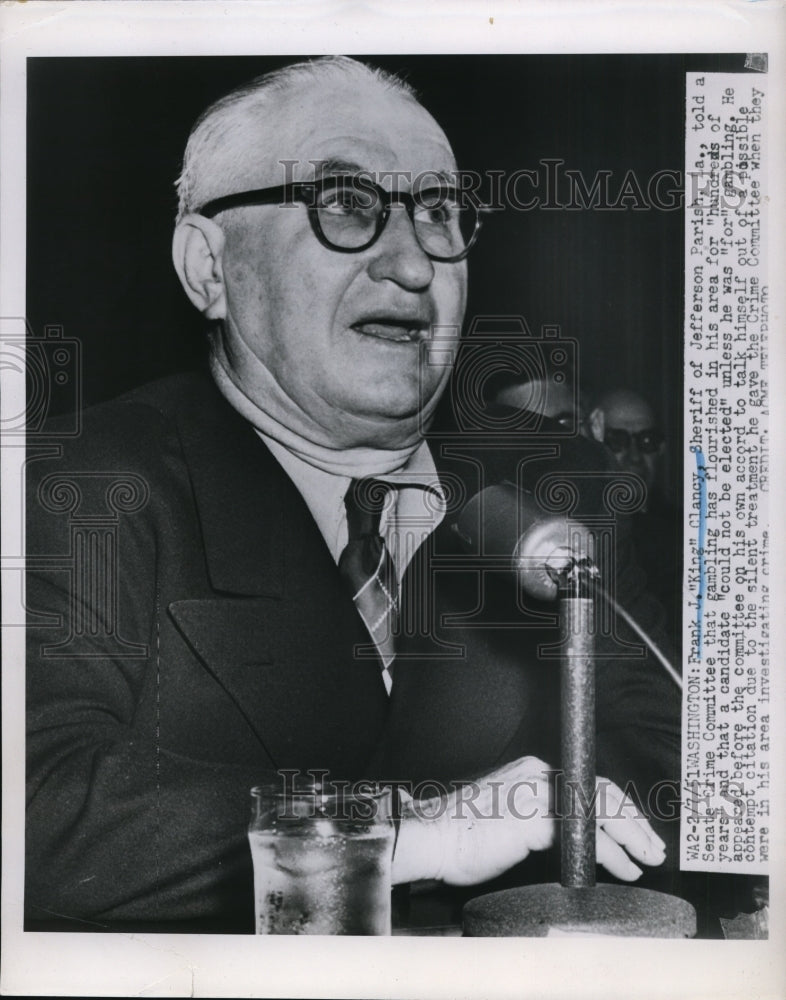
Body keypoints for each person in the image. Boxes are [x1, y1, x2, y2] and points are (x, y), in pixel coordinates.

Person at [25, 57, 678, 933]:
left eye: (438, 212)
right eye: (344, 204)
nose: (412, 264)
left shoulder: (561, 487)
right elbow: (38, 811)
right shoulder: (86, 485)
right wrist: (401, 833)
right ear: (209, 268)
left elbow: (680, 779)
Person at [588, 388, 681, 640]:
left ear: (661, 449)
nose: (635, 457)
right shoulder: (580, 531)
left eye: (646, 441)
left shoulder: (683, 535)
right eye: (617, 441)